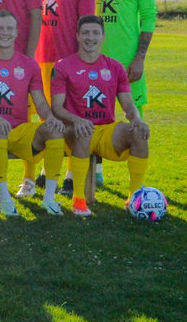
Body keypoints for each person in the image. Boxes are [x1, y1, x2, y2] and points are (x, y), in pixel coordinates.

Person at [50, 15, 150, 217]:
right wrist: (77, 120)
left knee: (139, 133)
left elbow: (128, 106)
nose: (91, 37)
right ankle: (78, 199)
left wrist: (137, 120)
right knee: (85, 131)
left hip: (105, 130)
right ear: (78, 36)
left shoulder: (115, 67)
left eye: (96, 33)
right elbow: (57, 108)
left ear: (103, 37)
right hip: (74, 130)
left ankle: (134, 198)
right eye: (86, 32)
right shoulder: (62, 66)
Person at [0, 10, 66, 216]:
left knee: (55, 131)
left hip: (20, 130)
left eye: (9, 28)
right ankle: (4, 197)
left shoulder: (29, 64)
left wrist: (50, 118)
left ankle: (49, 199)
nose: (4, 33)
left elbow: (39, 101)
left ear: (16, 32)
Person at [35, 0, 96, 195]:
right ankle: (47, 170)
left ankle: (71, 175)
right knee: (47, 116)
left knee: (72, 117)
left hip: (70, 61)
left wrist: (82, 61)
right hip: (42, 58)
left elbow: (87, 24)